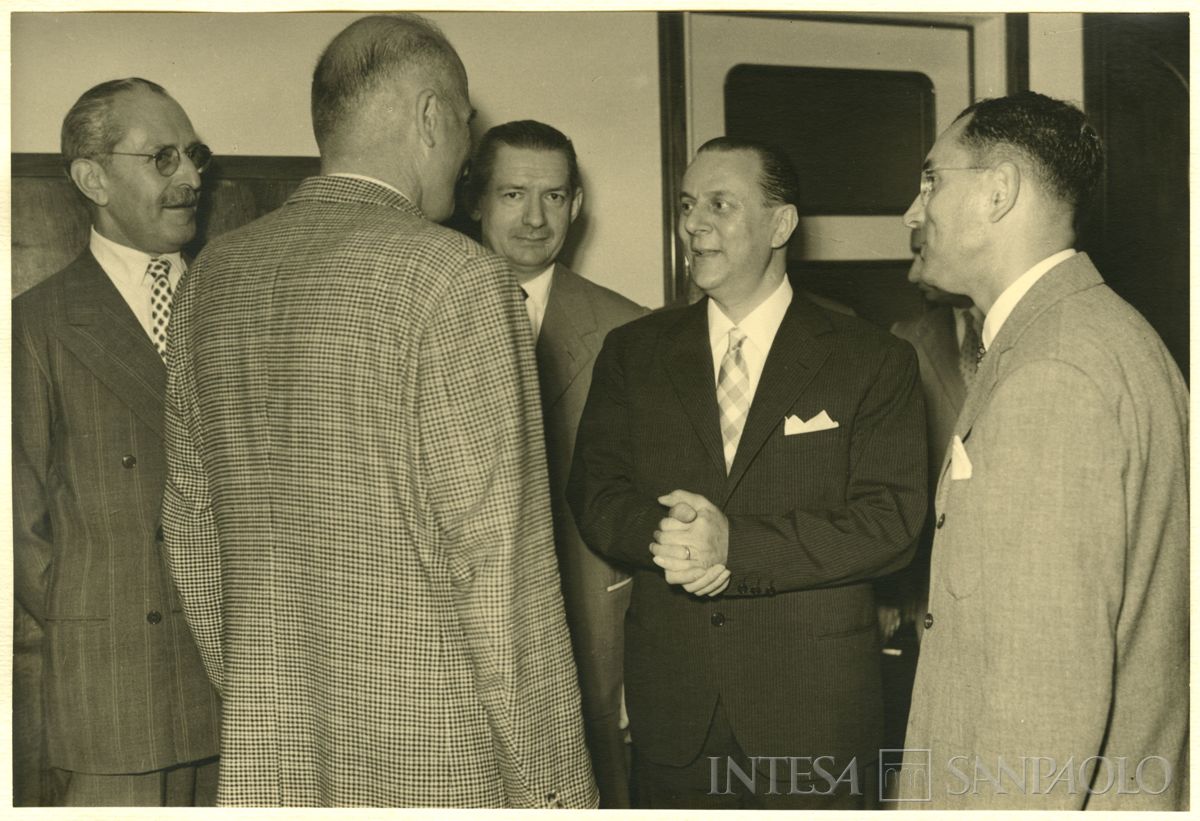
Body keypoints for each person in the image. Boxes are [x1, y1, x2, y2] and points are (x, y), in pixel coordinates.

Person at [161, 15, 596, 808]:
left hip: (272, 750)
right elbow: (503, 575)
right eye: (466, 123)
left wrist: (268, 690)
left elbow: (191, 535)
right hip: (440, 753)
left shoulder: (212, 277)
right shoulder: (455, 276)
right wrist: (559, 787)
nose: (466, 151)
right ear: (431, 116)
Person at [567, 136, 927, 809]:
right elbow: (595, 491)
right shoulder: (634, 351)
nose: (693, 224)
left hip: (814, 718)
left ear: (780, 224)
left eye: (720, 205)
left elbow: (892, 523)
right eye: (686, 205)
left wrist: (736, 546)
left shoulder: (871, 359)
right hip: (675, 715)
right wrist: (665, 534)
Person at [899, 91, 1188, 809]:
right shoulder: (1099, 332)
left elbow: (1042, 705)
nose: (912, 211)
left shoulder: (1051, 374)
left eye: (932, 180)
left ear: (998, 192)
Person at [12, 77, 220, 807]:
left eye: (193, 154)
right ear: (92, 177)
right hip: (111, 691)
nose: (192, 177)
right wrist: (100, 613)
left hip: (245, 690)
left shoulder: (235, 302)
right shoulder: (35, 323)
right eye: (163, 158)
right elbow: (21, 529)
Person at [468, 119, 648, 808]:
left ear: (576, 206)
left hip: (587, 628)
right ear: (478, 201)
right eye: (514, 194)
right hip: (462, 628)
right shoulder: (426, 308)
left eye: (554, 196)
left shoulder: (629, 330)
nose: (536, 217)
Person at [875, 227, 983, 772]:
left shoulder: (1022, 334)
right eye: (911, 253)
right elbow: (897, 483)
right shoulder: (906, 338)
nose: (915, 272)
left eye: (923, 251)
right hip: (930, 577)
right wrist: (900, 589)